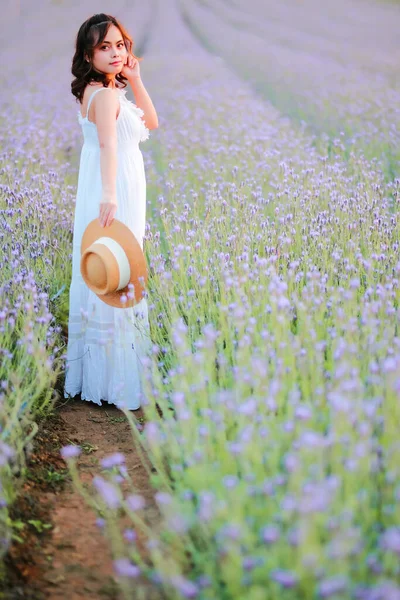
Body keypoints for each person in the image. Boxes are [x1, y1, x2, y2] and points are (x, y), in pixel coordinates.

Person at [63, 13, 158, 410]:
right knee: (118, 271)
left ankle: (103, 372)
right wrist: (109, 195)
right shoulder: (102, 96)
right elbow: (106, 146)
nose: (116, 53)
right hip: (115, 188)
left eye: (120, 44)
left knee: (116, 270)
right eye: (105, 47)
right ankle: (115, 378)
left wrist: (135, 80)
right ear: (89, 53)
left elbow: (151, 123)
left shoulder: (106, 90)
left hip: (123, 187)